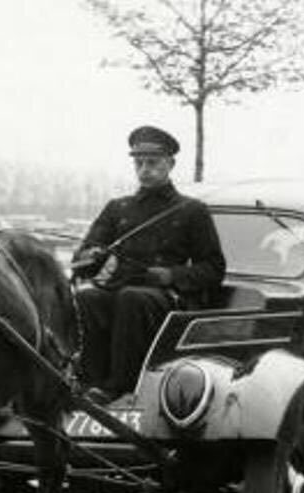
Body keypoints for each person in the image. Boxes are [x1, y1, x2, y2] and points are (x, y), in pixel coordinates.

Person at [72, 125, 225, 404]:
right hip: (121, 289)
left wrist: (170, 275)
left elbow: (214, 268)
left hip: (166, 297)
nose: (145, 169)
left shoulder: (192, 211)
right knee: (88, 298)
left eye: (152, 163)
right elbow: (82, 259)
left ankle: (121, 385)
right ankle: (89, 382)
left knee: (132, 299)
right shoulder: (118, 208)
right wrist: (92, 256)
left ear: (170, 164)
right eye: (139, 163)